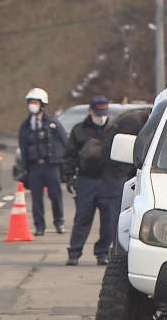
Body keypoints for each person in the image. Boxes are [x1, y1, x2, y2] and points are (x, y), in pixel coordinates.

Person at [64, 96, 119, 266]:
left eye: (103, 113)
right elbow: (70, 155)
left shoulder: (114, 130)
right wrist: (69, 175)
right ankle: (74, 252)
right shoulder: (79, 130)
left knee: (109, 220)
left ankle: (102, 253)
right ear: (90, 111)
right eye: (97, 113)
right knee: (82, 218)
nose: (101, 117)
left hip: (109, 181)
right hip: (87, 180)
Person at [18, 88, 67, 236]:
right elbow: (22, 146)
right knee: (36, 199)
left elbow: (65, 142)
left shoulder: (52, 123)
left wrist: (65, 163)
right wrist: (24, 168)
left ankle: (59, 222)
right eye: (30, 102)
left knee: (55, 195)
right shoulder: (26, 126)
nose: (32, 105)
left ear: (42, 104)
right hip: (34, 167)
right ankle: (39, 226)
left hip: (51, 165)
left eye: (35, 102)